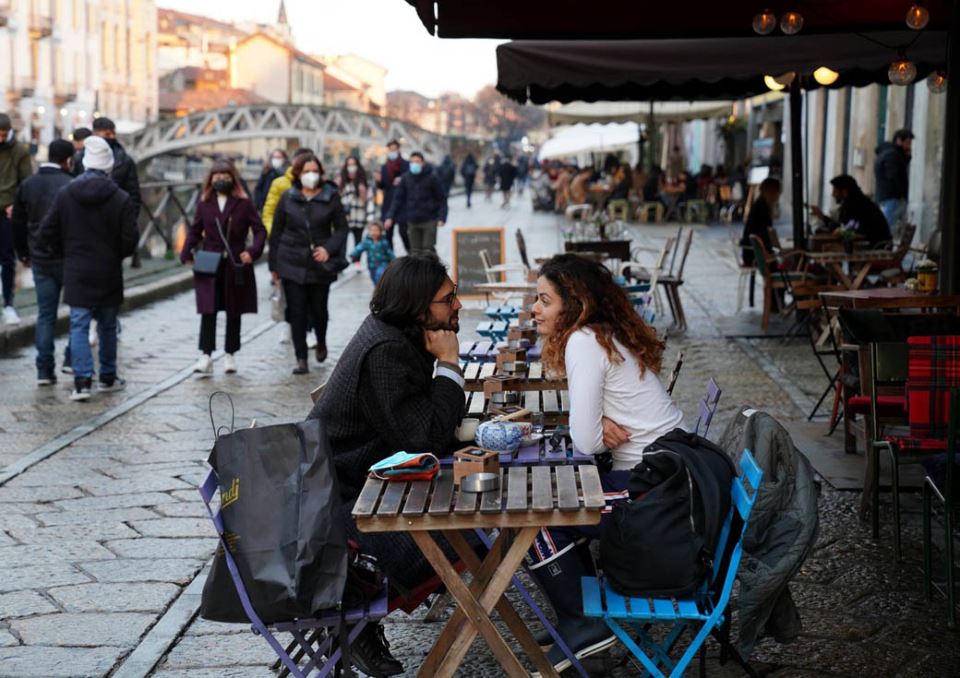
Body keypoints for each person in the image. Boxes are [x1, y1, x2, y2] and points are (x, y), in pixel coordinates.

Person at [307, 254, 465, 677]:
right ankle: (350, 622)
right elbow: (427, 439)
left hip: (361, 491)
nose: (458, 305)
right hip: (337, 520)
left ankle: (355, 624)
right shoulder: (386, 350)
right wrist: (449, 365)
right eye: (448, 299)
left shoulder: (397, 336)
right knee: (475, 529)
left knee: (470, 514)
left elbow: (424, 431)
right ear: (417, 307)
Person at [528, 253, 686, 672]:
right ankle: (579, 613)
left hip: (657, 493)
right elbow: (590, 435)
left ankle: (584, 624)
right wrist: (599, 423)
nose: (534, 308)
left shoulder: (584, 341)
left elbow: (583, 441)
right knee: (559, 496)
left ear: (574, 305)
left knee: (536, 515)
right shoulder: (602, 334)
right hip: (669, 474)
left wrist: (595, 426)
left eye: (545, 300)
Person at [37, 136, 138, 401]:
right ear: (108, 166)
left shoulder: (66, 193)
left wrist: (66, 253)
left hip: (77, 268)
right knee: (107, 325)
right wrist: (115, 254)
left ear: (85, 163)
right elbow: (130, 240)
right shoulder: (121, 198)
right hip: (108, 269)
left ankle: (81, 382)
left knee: (79, 324)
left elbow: (46, 232)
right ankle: (107, 377)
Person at [179, 161, 266, 376]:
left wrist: (252, 251)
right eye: (217, 177)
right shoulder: (204, 204)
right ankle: (205, 355)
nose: (221, 180)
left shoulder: (244, 203)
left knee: (234, 309)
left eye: (225, 176)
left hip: (235, 262)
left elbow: (260, 230)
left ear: (233, 178)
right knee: (208, 310)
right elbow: (195, 230)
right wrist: (186, 252)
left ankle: (230, 354)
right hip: (210, 262)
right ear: (210, 180)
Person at [269, 153, 348, 374]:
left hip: (319, 263)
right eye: (306, 171)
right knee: (296, 311)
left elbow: (341, 228)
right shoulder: (288, 197)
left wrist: (328, 249)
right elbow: (276, 232)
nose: (311, 175)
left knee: (319, 309)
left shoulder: (331, 196)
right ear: (298, 174)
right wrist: (274, 266)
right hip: (291, 260)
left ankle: (321, 339)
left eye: (314, 171)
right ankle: (301, 358)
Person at [11, 139, 74, 383]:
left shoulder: (28, 184)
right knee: (77, 311)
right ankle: (71, 359)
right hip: (69, 257)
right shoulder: (71, 184)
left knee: (45, 314)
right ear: (68, 160)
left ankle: (44, 370)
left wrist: (23, 253)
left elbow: (18, 223)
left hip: (39, 257)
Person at [72, 117, 142, 222]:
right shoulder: (80, 158)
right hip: (87, 218)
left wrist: (128, 220)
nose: (112, 137)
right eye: (108, 134)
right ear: (95, 134)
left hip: (113, 218)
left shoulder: (125, 160)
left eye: (113, 133)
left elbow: (134, 195)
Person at [0, 113, 32, 326]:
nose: (0, 139)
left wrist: (16, 205)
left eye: (3, 135)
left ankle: (9, 305)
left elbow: (26, 182)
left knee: (7, 259)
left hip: (7, 211)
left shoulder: (19, 150)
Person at [384, 152, 447, 256]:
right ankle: (418, 267)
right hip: (412, 219)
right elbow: (397, 199)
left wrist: (442, 217)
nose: (414, 164)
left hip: (429, 219)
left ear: (423, 163)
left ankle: (432, 266)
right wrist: (390, 216)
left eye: (417, 161)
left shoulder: (432, 178)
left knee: (428, 249)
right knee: (415, 251)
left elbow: (441, 198)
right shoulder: (406, 178)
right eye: (412, 162)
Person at [811, 174, 892, 248]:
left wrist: (823, 218)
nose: (833, 194)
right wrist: (822, 217)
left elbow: (844, 231)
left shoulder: (856, 206)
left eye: (835, 191)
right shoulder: (857, 202)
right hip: (873, 244)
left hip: (875, 248)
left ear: (844, 192)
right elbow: (844, 229)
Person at [261, 147, 312, 233]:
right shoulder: (279, 183)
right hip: (286, 237)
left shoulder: (323, 187)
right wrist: (273, 234)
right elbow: (269, 213)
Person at [874, 128, 913, 228]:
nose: (909, 147)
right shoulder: (892, 155)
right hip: (893, 198)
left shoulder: (887, 153)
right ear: (899, 140)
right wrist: (901, 194)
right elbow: (893, 175)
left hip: (887, 197)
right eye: (907, 143)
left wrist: (907, 158)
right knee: (889, 228)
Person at [740, 177, 782, 266]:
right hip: (756, 255)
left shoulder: (760, 205)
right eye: (778, 192)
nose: (778, 196)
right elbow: (764, 235)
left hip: (751, 253)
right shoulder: (762, 209)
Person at [377, 139, 409, 251]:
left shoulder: (406, 165)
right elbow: (382, 186)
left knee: (403, 232)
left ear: (399, 149)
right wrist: (378, 181)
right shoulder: (384, 167)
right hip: (388, 203)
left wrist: (402, 178)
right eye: (390, 150)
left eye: (394, 149)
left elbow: (411, 181)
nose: (392, 152)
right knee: (388, 234)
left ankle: (411, 255)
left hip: (402, 204)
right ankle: (391, 258)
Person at [337, 155, 374, 249]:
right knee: (342, 244)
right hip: (344, 219)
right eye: (349, 165)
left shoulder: (364, 183)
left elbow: (370, 202)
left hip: (359, 218)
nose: (351, 167)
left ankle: (356, 258)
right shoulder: (341, 183)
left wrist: (370, 219)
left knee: (358, 244)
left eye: (353, 165)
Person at [253, 148, 289, 213]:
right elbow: (258, 188)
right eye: (274, 157)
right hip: (266, 205)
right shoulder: (266, 171)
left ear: (284, 158)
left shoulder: (287, 173)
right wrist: (260, 204)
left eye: (278, 157)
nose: (276, 159)